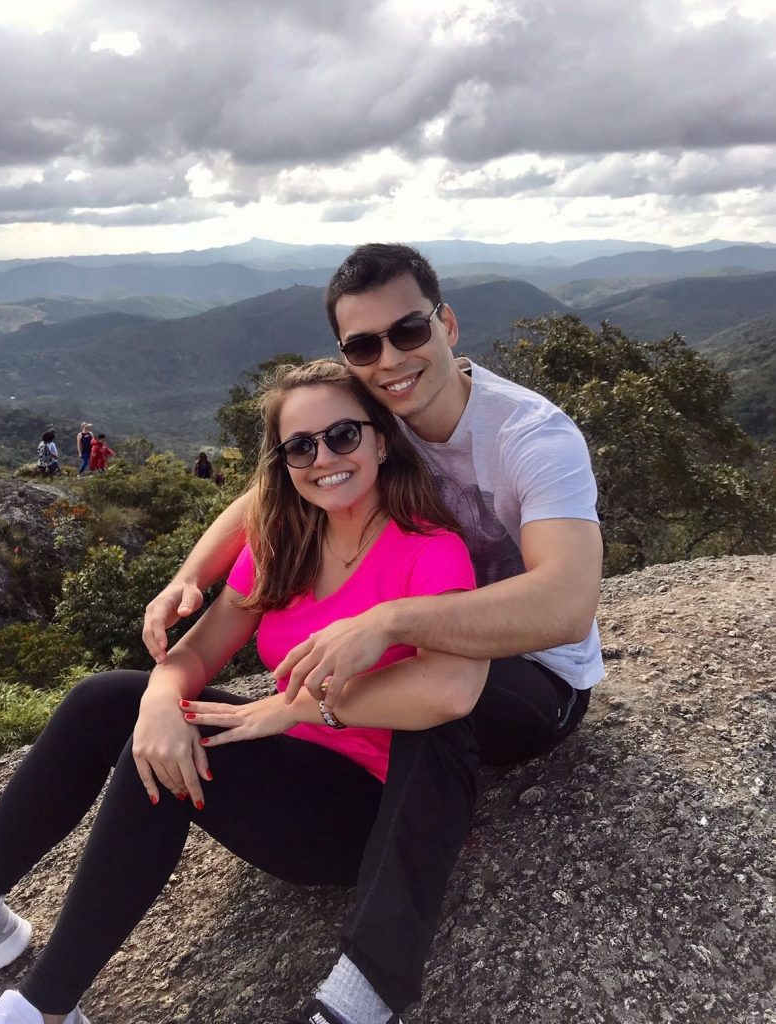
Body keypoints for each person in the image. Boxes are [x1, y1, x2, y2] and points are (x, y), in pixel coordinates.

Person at [141, 243, 604, 1021]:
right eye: (363, 345)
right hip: (437, 648)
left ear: (446, 323)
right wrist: (194, 571)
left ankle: (368, 986)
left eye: (408, 331)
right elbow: (273, 488)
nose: (390, 358)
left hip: (537, 677)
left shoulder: (532, 436)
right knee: (423, 678)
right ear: (346, 357)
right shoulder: (374, 413)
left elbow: (564, 601)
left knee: (433, 699)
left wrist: (386, 619)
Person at [0, 360, 487, 1024]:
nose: (323, 458)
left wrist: (289, 708)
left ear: (381, 439)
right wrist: (156, 701)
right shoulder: (283, 539)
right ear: (282, 462)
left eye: (343, 435)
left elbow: (449, 691)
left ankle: (46, 1008)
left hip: (359, 816)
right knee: (103, 699)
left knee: (183, 749)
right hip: (290, 762)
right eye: (300, 446)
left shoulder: (428, 550)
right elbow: (200, 651)